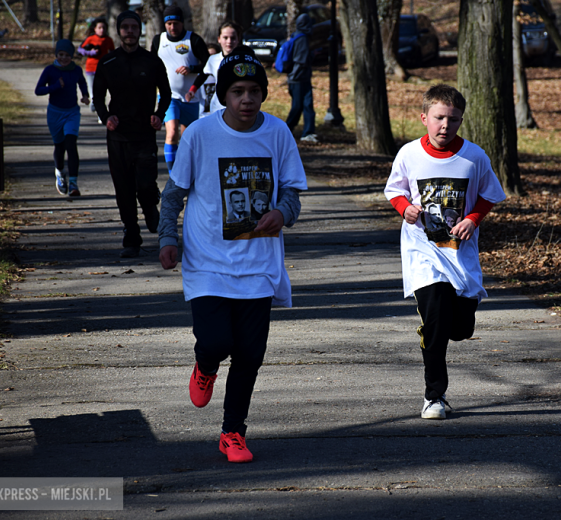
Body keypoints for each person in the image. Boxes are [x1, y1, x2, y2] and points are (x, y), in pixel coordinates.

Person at [158, 46, 307, 463]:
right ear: (223, 95)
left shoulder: (278, 133)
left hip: (258, 265)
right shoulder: (201, 134)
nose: (246, 99)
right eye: (238, 91)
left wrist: (282, 212)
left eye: (254, 91)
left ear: (263, 94)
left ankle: (232, 433)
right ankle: (205, 364)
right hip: (207, 262)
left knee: (250, 355)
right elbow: (173, 195)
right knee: (216, 341)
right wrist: (167, 238)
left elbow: (292, 193)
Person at [384, 84, 507, 420]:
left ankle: (451, 323)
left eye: (453, 120)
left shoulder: (474, 156)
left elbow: (490, 194)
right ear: (424, 117)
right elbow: (394, 190)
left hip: (460, 255)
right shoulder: (409, 154)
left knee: (461, 329)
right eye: (438, 118)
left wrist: (472, 218)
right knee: (436, 323)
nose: (445, 126)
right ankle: (434, 396)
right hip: (423, 255)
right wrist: (406, 209)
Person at [93, 10, 171, 258]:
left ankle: (150, 206)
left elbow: (166, 93)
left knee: (146, 185)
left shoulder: (152, 61)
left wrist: (159, 114)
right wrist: (107, 117)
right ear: (119, 31)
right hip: (118, 137)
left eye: (133, 27)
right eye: (125, 27)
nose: (129, 31)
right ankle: (131, 236)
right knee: (124, 189)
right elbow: (97, 97)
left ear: (140, 30)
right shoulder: (107, 62)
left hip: (145, 134)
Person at [151, 5, 210, 171]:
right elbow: (151, 66)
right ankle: (173, 175)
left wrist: (192, 68)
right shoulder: (158, 40)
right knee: (171, 134)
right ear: (164, 24)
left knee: (186, 139)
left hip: (191, 98)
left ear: (182, 23)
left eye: (176, 23)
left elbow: (208, 67)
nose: (172, 27)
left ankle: (185, 172)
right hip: (169, 96)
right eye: (169, 24)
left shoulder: (194, 40)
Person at [34, 39, 90, 197]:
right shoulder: (50, 70)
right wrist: (55, 87)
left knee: (71, 144)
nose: (64, 58)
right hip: (55, 113)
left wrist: (85, 95)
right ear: (56, 55)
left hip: (72, 112)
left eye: (67, 55)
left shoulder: (76, 70)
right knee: (60, 146)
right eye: (61, 54)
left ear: (72, 56)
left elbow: (82, 83)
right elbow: (38, 90)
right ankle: (59, 173)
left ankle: (73, 183)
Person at [185, 21, 243, 118]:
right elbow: (203, 74)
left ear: (238, 40)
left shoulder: (243, 60)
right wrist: (192, 90)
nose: (229, 41)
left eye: (233, 38)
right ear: (219, 39)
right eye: (225, 38)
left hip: (237, 105)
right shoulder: (213, 59)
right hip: (218, 106)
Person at [285, 13, 317, 143]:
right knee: (298, 107)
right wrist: (295, 76)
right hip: (299, 79)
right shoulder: (302, 38)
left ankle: (308, 132)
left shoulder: (295, 35)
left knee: (307, 105)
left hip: (299, 78)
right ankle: (287, 130)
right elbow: (301, 60)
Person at [78, 17, 115, 116]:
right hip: (91, 68)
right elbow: (80, 50)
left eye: (103, 27)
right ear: (95, 29)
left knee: (102, 88)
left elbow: (112, 52)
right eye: (99, 27)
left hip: (103, 69)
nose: (102, 30)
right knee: (92, 88)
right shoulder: (90, 39)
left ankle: (100, 108)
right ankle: (94, 103)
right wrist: (90, 52)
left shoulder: (108, 40)